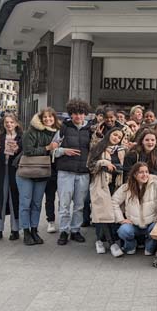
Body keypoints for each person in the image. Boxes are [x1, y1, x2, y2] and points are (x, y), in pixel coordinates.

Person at [15, 108, 62, 245]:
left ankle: (34, 230)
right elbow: (28, 150)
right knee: (25, 202)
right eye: (45, 117)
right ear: (40, 119)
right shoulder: (30, 132)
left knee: (36, 203)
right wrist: (47, 148)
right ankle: (26, 231)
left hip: (42, 172)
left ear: (54, 118)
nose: (48, 119)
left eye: (50, 117)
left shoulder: (58, 133)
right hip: (26, 172)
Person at [54, 99, 93, 246]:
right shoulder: (63, 129)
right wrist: (64, 151)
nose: (78, 116)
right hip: (65, 171)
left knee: (79, 204)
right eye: (75, 114)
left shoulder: (90, 130)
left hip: (83, 172)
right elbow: (52, 150)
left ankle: (75, 230)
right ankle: (64, 231)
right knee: (64, 204)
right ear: (71, 114)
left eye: (81, 113)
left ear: (85, 114)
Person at [113, 162, 157, 256]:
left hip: (151, 223)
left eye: (146, 172)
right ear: (135, 175)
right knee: (124, 231)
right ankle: (131, 246)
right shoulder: (127, 187)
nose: (145, 175)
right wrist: (121, 219)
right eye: (141, 172)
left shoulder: (156, 185)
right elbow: (114, 201)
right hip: (133, 225)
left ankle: (149, 246)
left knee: (149, 251)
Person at [88, 127, 126, 256]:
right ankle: (109, 243)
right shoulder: (98, 147)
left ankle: (103, 240)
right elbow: (90, 165)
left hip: (116, 184)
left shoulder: (121, 150)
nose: (116, 138)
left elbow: (124, 168)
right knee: (102, 214)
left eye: (119, 137)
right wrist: (103, 162)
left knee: (112, 214)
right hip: (101, 183)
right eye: (115, 135)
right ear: (109, 134)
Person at [0, 113, 22, 242]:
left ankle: (15, 230)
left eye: (11, 122)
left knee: (15, 199)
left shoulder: (21, 137)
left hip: (16, 171)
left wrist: (18, 148)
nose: (9, 125)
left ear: (16, 123)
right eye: (6, 122)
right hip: (0, 171)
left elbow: (25, 152)